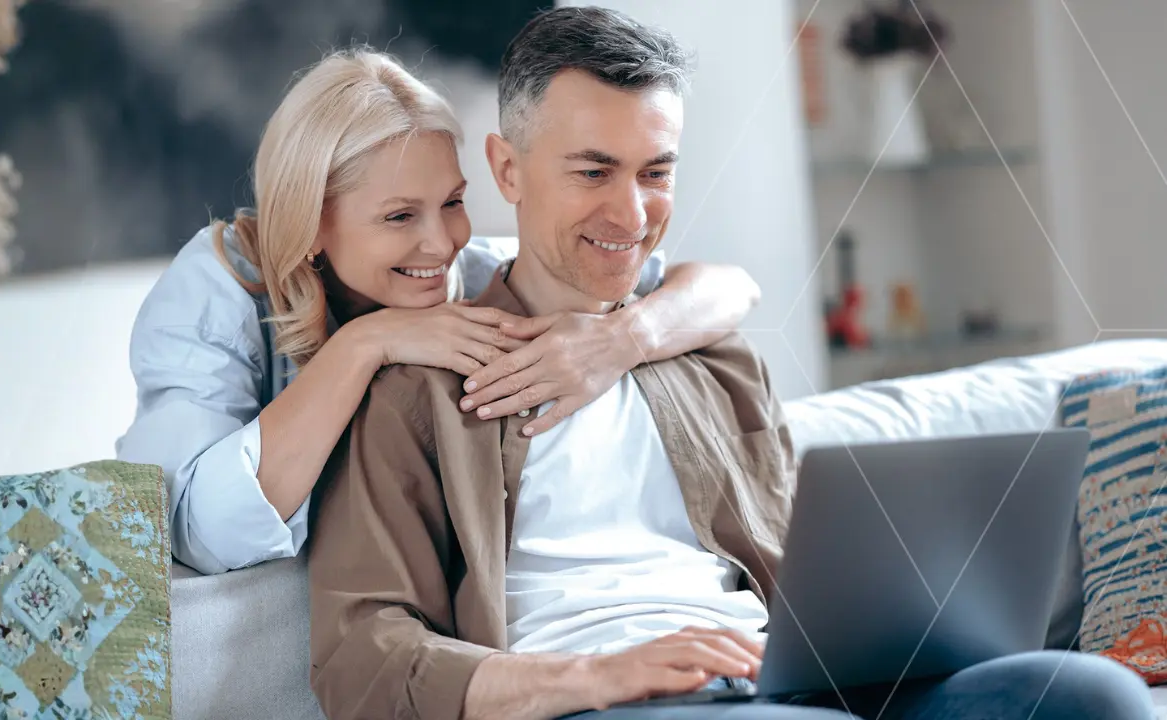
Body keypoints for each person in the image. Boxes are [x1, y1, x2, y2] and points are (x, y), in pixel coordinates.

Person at [306, 7, 1155, 720]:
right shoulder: (420, 380)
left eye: (656, 170)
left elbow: (800, 558)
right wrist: (598, 675)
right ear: (507, 169)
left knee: (1088, 694)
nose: (631, 211)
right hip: (613, 699)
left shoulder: (706, 356)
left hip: (779, 676)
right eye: (593, 171)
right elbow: (363, 655)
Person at [115, 48, 764, 576]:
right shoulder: (223, 287)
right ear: (310, 223)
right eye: (399, 216)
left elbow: (726, 288)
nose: (441, 241)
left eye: (451, 201)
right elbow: (198, 535)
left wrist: (626, 337)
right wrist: (363, 345)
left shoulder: (469, 272)